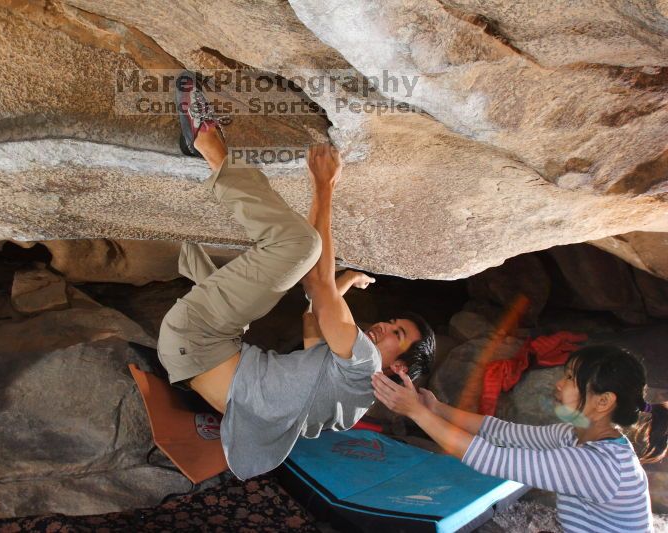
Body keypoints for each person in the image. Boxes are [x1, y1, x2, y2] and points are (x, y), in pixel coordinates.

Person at [158, 71, 434, 479]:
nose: (383, 328)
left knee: (301, 248)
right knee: (293, 258)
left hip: (200, 341)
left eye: (398, 336)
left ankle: (206, 142)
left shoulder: (364, 363)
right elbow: (313, 319)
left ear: (399, 369)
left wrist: (324, 186)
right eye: (393, 323)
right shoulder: (349, 406)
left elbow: (316, 282)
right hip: (198, 349)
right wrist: (340, 287)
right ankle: (190, 252)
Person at [372, 344, 664, 533]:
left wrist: (416, 413)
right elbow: (503, 433)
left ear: (603, 402)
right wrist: (434, 408)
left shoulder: (598, 464)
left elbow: (492, 458)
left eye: (572, 379)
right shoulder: (575, 434)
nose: (559, 384)